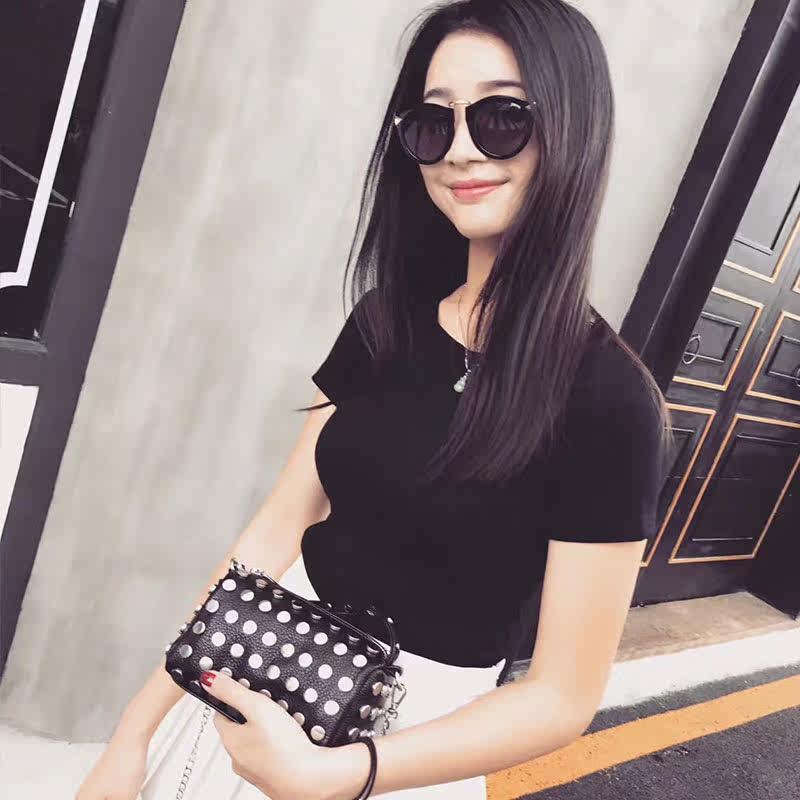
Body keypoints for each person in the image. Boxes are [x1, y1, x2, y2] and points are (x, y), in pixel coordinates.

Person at [76, 1, 674, 798]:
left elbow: (562, 696)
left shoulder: (613, 402)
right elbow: (275, 529)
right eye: (432, 123)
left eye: (501, 117)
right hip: (260, 678)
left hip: (410, 750)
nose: (460, 149)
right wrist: (135, 731)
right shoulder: (384, 321)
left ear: (575, 128)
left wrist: (341, 775)